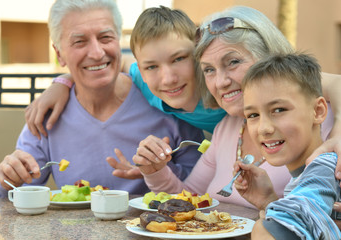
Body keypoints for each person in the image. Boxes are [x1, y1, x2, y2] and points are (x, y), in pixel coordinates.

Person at [132, 5, 338, 210]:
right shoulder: (228, 128)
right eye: (209, 70)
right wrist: (155, 171)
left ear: (269, 58)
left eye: (232, 62)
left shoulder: (321, 122)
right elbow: (189, 200)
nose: (220, 82)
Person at [0, 0, 204, 198]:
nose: (96, 52)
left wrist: (157, 170)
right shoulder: (46, 115)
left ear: (119, 40)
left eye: (105, 38)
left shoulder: (165, 98)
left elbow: (201, 188)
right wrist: (9, 180)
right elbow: (15, 195)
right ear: (59, 54)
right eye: (79, 41)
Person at [235, 53, 341, 239]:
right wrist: (268, 201)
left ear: (318, 111)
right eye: (252, 115)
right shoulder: (306, 175)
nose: (264, 128)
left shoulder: (324, 168)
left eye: (279, 110)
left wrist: (267, 228)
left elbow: (277, 232)